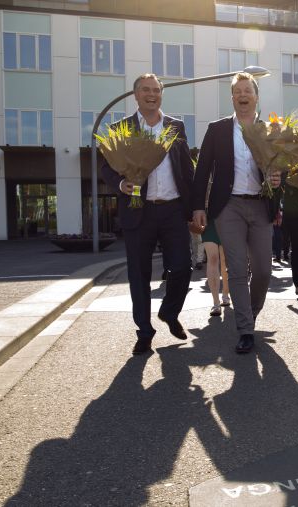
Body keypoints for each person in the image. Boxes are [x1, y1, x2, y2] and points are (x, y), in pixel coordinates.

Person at [101, 73, 195, 355]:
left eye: (156, 90)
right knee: (138, 274)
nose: (151, 94)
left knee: (181, 267)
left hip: (173, 209)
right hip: (138, 210)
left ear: (161, 94)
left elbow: (185, 168)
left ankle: (169, 311)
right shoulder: (122, 127)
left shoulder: (175, 126)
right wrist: (120, 184)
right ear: (136, 95)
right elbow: (106, 167)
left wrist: (196, 208)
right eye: (146, 90)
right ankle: (144, 331)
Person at [192, 72, 281, 354]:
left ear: (256, 97)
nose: (242, 95)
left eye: (247, 91)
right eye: (237, 91)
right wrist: (197, 207)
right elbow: (202, 170)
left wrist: (278, 182)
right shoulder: (217, 129)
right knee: (238, 269)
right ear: (232, 97)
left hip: (260, 205)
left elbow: (282, 167)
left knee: (264, 271)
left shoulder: (271, 130)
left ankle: (250, 314)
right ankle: (245, 329)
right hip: (227, 206)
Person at [201, 217, 230, 316]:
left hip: (227, 218)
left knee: (225, 261)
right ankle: (216, 303)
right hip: (208, 221)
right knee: (212, 259)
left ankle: (225, 294)